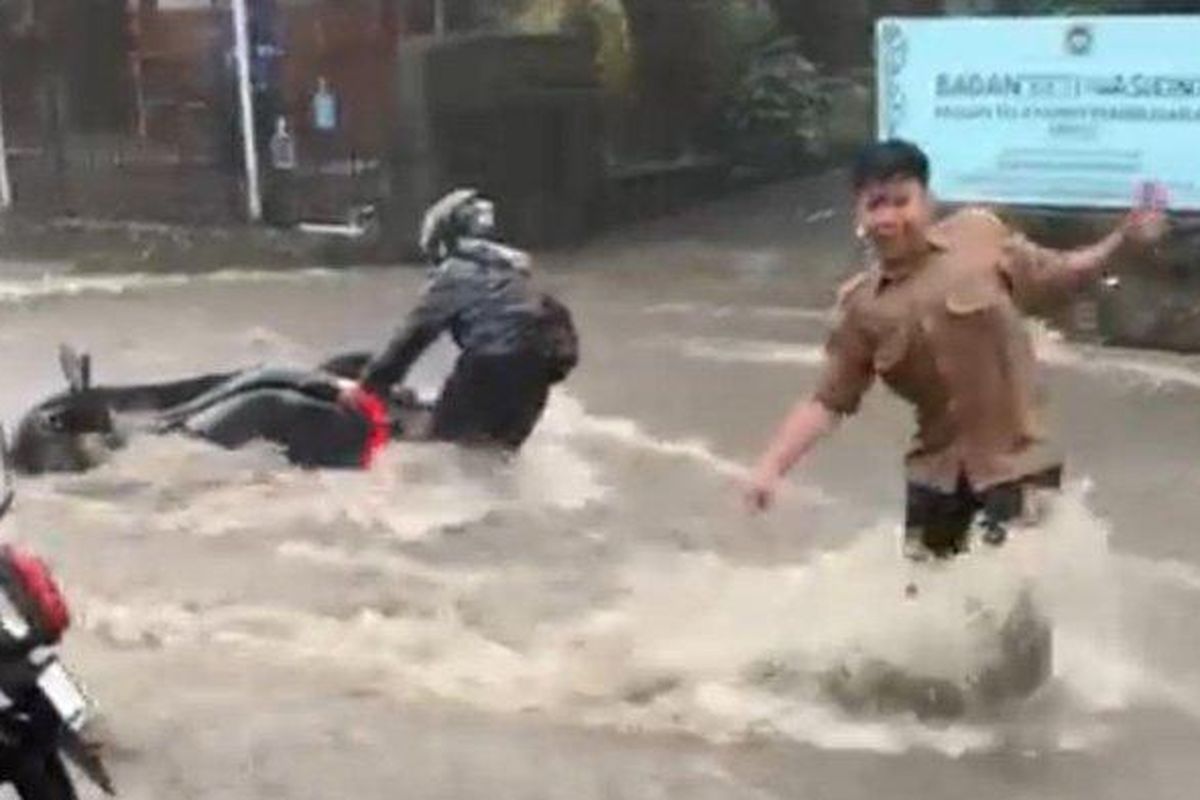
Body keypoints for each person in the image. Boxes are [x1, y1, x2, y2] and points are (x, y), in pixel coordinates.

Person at [743, 139, 1167, 560]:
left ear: (927, 201)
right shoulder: (862, 306)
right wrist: (770, 468)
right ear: (859, 213)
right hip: (935, 479)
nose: (888, 218)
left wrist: (1123, 241)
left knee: (1016, 595)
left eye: (901, 201)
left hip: (1019, 468)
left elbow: (1059, 273)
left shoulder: (979, 236)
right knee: (926, 595)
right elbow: (828, 401)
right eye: (875, 205)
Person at [336, 188, 579, 451]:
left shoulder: (456, 272)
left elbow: (413, 337)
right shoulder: (519, 274)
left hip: (491, 366)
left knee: (441, 451)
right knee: (495, 455)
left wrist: (367, 389)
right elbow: (558, 332)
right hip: (536, 377)